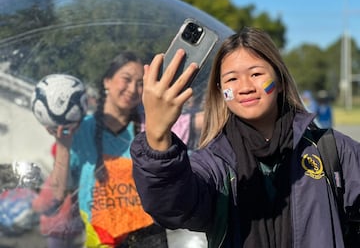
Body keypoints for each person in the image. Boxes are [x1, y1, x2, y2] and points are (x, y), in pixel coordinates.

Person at [130, 27, 360, 248]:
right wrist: (157, 136)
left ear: (279, 81)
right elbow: (173, 208)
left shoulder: (333, 149)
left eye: (256, 74)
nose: (245, 87)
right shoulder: (213, 164)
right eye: (232, 79)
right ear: (221, 91)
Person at [41, 51, 203, 248]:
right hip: (100, 239)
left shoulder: (154, 125)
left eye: (140, 83)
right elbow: (57, 194)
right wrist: (63, 145)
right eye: (126, 79)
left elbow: (201, 121)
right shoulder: (81, 131)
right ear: (107, 81)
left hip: (148, 239)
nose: (133, 89)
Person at [32, 143, 84, 248]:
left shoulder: (56, 179)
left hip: (57, 228)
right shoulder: (79, 176)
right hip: (71, 227)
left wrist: (36, 204)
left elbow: (43, 206)